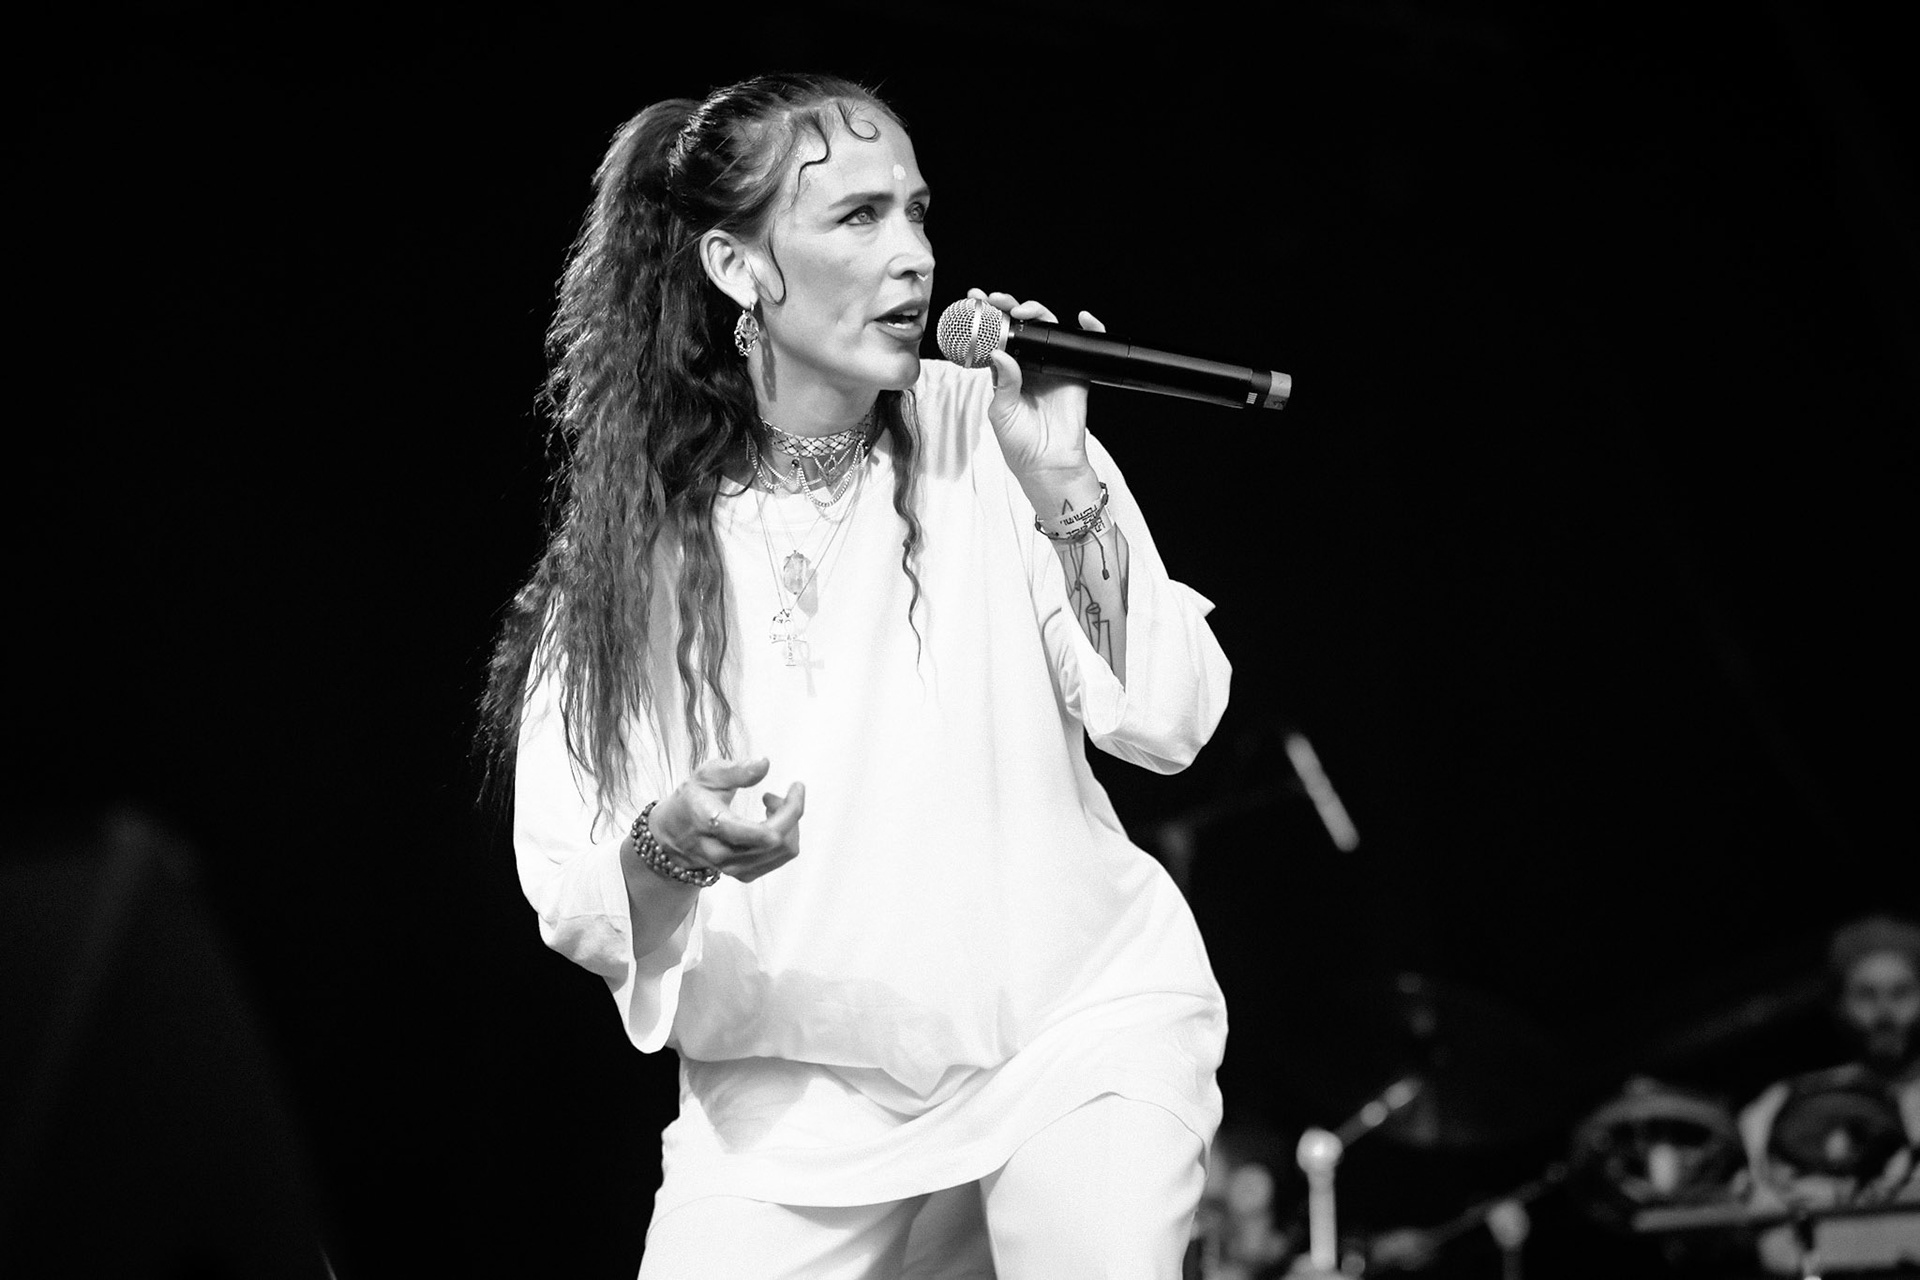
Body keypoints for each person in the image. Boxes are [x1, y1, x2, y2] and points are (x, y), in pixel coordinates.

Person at [479, 72, 1232, 1278]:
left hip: (1072, 1036)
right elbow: (575, 887)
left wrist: (1061, 476)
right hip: (789, 1110)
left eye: (917, 212)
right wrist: (675, 843)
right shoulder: (633, 545)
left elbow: (1170, 717)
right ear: (737, 266)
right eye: (858, 216)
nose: (913, 255)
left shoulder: (988, 429)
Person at [1735, 914, 1920, 1273]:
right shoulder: (1783, 1104)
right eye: (1866, 995)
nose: (1884, 1013)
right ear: (1838, 1004)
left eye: (1901, 993)